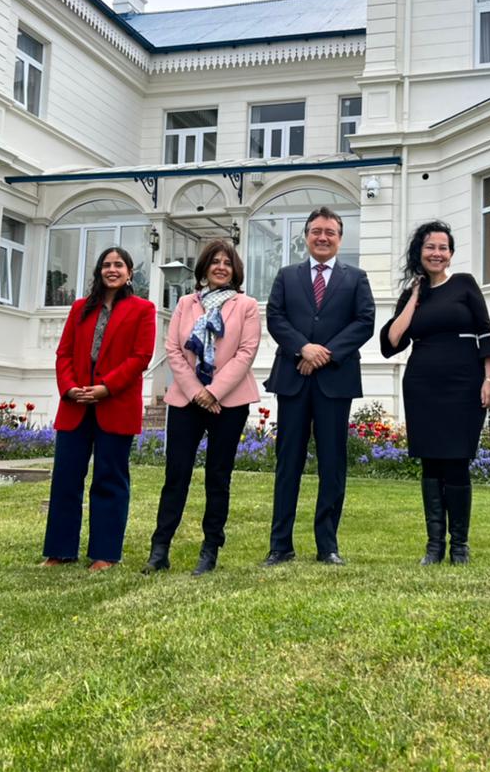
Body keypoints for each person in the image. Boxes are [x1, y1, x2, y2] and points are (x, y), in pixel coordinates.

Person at [380, 221, 490, 564]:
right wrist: (415, 297)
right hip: (422, 384)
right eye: (430, 247)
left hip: (463, 382)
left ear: (451, 254)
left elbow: (485, 332)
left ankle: (459, 544)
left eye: (443, 248)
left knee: (457, 461)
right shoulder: (413, 294)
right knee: (430, 463)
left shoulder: (464, 284)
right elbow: (392, 341)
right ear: (420, 252)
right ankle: (435, 545)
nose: (437, 253)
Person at [264, 206, 375, 566]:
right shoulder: (286, 275)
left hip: (335, 381)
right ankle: (280, 545)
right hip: (293, 379)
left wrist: (325, 354)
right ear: (306, 236)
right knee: (288, 463)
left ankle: (327, 545)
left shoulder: (356, 277)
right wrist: (303, 347)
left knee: (332, 464)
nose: (322, 237)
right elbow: (276, 317)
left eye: (330, 231)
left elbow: (364, 322)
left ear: (340, 238)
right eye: (316, 231)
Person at [142, 239, 261, 577]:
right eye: (214, 262)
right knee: (176, 475)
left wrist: (215, 391)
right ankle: (159, 550)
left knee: (217, 476)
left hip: (229, 402)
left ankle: (209, 550)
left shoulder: (246, 305)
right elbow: (174, 349)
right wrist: (197, 391)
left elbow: (246, 352)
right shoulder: (185, 303)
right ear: (204, 268)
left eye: (226, 262)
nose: (220, 267)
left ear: (234, 269)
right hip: (186, 399)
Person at [42, 246, 156, 571]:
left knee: (110, 480)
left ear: (129, 273)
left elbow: (140, 357)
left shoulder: (142, 309)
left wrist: (106, 388)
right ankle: (59, 551)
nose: (112, 269)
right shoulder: (79, 308)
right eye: (106, 265)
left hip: (115, 404)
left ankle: (105, 554)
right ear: (99, 272)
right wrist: (69, 388)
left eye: (119, 265)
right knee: (65, 479)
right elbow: (63, 354)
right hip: (75, 406)